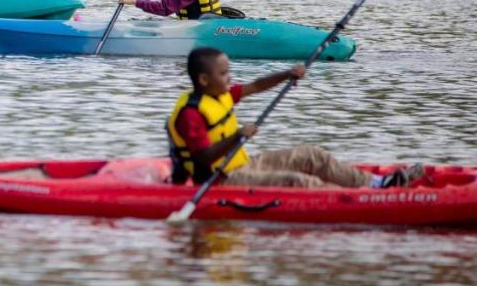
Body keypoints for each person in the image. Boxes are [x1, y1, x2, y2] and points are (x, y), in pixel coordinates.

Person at [168, 46, 426, 189]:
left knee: (311, 155)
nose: (230, 79)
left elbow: (256, 86)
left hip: (244, 165)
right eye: (224, 74)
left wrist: (287, 75)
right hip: (221, 180)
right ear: (204, 80)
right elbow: (202, 158)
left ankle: (377, 184)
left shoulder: (221, 93)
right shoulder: (191, 114)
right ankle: (359, 200)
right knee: (298, 181)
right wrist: (237, 135)